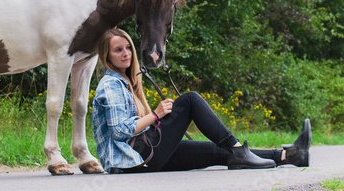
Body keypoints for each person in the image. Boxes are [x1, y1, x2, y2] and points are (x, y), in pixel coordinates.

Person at [92, 28, 311, 173]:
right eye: (118, 50)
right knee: (190, 101)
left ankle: (289, 155)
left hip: (141, 157)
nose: (126, 53)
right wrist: (156, 115)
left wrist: (156, 118)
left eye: (128, 47)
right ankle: (238, 148)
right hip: (134, 159)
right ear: (107, 56)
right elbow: (120, 131)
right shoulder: (111, 85)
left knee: (215, 150)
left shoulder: (126, 82)